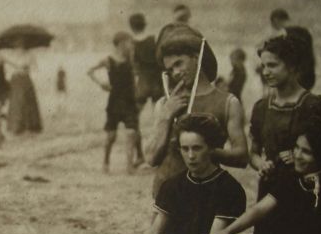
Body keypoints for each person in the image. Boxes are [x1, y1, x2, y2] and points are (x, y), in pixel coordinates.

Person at [109, 114, 249, 234]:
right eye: (185, 149)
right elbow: (155, 232)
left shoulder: (228, 187)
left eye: (197, 148)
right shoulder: (172, 185)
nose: (190, 156)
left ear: (211, 148)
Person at [250, 35, 321, 234]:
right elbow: (253, 151)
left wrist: (304, 155)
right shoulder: (261, 108)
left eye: (272, 65)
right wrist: (262, 164)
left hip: (304, 196)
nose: (266, 71)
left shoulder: (314, 105)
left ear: (292, 66)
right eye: (263, 66)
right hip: (269, 191)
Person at [146, 24, 249, 202]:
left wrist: (205, 151)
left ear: (196, 58)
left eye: (179, 64)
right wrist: (165, 117)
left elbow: (242, 157)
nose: (176, 73)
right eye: (170, 70)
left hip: (206, 198)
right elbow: (151, 158)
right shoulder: (164, 104)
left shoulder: (227, 102)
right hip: (166, 197)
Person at [87, 32, 139, 174]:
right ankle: (105, 162)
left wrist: (136, 90)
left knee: (131, 133)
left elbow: (136, 76)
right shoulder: (108, 60)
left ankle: (129, 166)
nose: (130, 45)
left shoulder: (131, 58)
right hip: (115, 102)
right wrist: (101, 84)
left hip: (130, 101)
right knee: (111, 136)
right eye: (128, 42)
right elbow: (90, 71)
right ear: (121, 43)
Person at [128, 13, 159, 163]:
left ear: (131, 26)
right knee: (161, 120)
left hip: (142, 84)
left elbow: (133, 66)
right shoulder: (153, 40)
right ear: (145, 24)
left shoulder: (132, 44)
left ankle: (139, 155)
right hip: (157, 84)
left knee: (134, 120)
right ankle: (161, 155)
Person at [262, 9, 316, 91]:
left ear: (275, 20)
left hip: (295, 76)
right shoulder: (305, 32)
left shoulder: (284, 34)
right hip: (309, 74)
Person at [6, 37, 43, 135]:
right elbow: (8, 69)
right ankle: (16, 126)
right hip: (15, 79)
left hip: (25, 78)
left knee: (27, 101)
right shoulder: (10, 55)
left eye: (21, 43)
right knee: (16, 102)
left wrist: (27, 67)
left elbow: (35, 68)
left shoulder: (29, 55)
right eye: (17, 44)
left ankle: (30, 126)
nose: (19, 46)